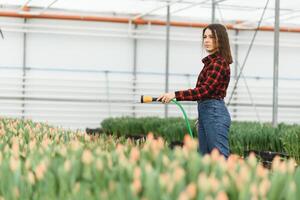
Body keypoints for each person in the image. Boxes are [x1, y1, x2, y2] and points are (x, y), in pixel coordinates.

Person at [157, 23, 232, 158]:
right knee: (206, 158)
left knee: (219, 158)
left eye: (211, 37)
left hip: (214, 113)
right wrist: (203, 116)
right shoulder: (211, 63)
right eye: (205, 37)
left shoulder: (219, 63)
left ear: (220, 39)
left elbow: (205, 91)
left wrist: (175, 94)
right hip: (208, 113)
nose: (207, 40)